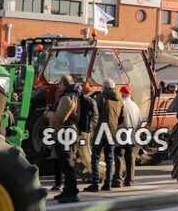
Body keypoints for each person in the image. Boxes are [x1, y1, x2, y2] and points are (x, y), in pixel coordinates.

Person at [46, 74, 82, 203]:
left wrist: (48, 113)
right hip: (66, 133)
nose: (58, 86)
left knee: (67, 165)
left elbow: (60, 118)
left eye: (59, 84)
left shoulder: (67, 98)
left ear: (63, 85)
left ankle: (72, 193)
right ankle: (67, 191)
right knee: (65, 164)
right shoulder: (71, 96)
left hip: (66, 134)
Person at [89, 79, 123, 192]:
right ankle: (108, 183)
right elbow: (122, 117)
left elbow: (94, 115)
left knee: (95, 158)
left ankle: (95, 184)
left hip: (100, 132)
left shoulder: (100, 98)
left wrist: (92, 128)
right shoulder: (119, 99)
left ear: (104, 87)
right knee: (109, 158)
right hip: (112, 132)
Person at [115, 83, 143, 187]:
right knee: (130, 158)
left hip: (121, 134)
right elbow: (140, 122)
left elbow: (117, 119)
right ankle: (129, 180)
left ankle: (117, 180)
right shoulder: (135, 106)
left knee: (118, 156)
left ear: (122, 94)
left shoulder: (120, 104)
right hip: (133, 135)